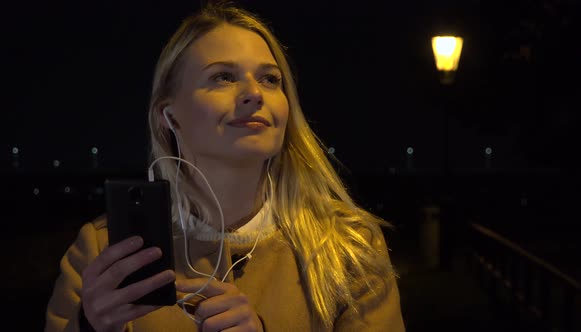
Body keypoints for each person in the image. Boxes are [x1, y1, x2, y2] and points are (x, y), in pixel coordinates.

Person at [44, 1, 406, 331]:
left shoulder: (348, 248)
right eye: (223, 77)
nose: (255, 93)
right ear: (170, 116)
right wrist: (89, 326)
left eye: (270, 78)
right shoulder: (105, 249)